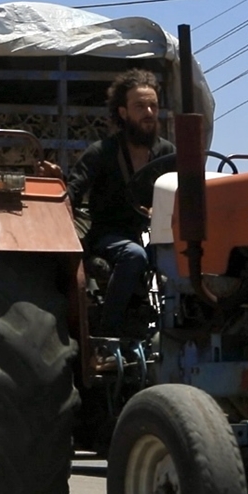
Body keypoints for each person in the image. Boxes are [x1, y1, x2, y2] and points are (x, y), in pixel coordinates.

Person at [62, 68, 175, 337]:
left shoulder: (167, 153)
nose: (148, 112)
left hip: (154, 234)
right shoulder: (102, 152)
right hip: (109, 235)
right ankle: (107, 333)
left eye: (153, 106)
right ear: (123, 112)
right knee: (133, 255)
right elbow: (72, 191)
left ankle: (169, 330)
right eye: (140, 106)